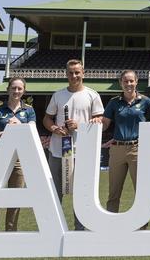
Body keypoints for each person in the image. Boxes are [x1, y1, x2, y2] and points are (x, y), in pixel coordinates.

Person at [42, 59, 104, 230]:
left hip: (82, 151)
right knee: (55, 191)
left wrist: (80, 126)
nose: (74, 75)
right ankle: (54, 227)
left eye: (77, 72)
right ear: (66, 74)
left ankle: (80, 229)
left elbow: (100, 121)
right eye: (71, 72)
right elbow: (47, 118)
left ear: (83, 73)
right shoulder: (58, 95)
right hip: (58, 150)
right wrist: (54, 128)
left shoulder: (92, 95)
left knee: (81, 193)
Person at [101, 70, 150, 228]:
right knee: (114, 191)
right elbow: (104, 125)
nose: (128, 84)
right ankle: (112, 225)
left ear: (137, 82)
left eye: (131, 81)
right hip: (117, 149)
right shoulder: (114, 102)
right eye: (125, 81)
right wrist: (96, 121)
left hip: (138, 149)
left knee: (141, 190)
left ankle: (142, 225)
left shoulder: (146, 101)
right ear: (120, 83)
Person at [0, 77, 36, 231]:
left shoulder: (29, 110)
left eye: (20, 89)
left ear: (24, 91)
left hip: (19, 158)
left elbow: (32, 132)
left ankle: (10, 232)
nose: (16, 91)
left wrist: (21, 126)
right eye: (13, 88)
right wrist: (5, 132)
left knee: (16, 197)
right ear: (8, 89)